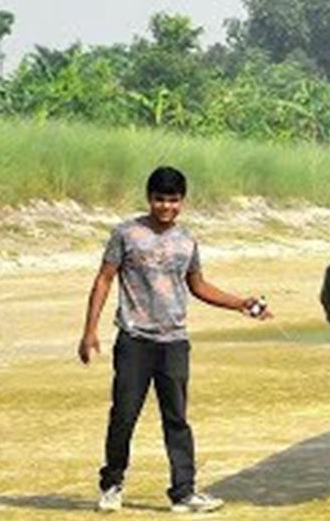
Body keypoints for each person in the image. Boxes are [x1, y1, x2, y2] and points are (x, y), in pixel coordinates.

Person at [78, 166, 273, 514]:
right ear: (148, 198)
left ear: (182, 201)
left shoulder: (186, 241)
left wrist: (240, 304)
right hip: (135, 340)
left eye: (172, 200)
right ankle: (112, 484)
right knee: (123, 415)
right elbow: (104, 279)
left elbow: (198, 286)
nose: (165, 207)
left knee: (177, 419)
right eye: (159, 199)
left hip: (174, 343)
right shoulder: (127, 234)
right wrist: (89, 330)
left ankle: (183, 492)